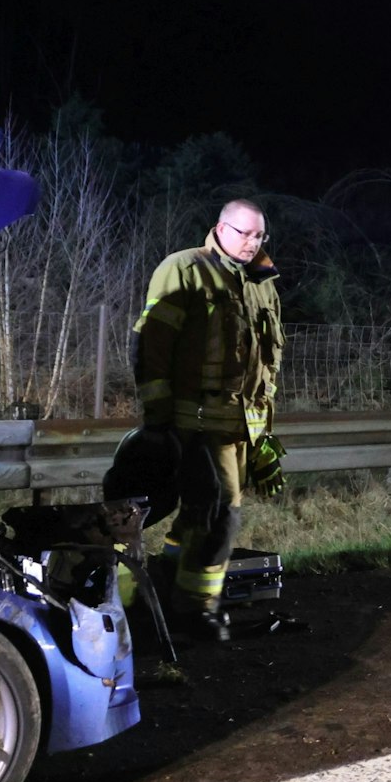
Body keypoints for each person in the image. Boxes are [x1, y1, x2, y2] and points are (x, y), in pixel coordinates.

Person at [131, 199, 285, 642]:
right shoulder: (183, 269)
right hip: (192, 420)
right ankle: (194, 610)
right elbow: (151, 344)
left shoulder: (262, 283)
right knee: (220, 513)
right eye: (243, 233)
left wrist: (262, 436)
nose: (251, 243)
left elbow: (265, 364)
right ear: (219, 227)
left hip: (239, 427)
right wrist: (158, 417)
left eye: (259, 236)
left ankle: (166, 589)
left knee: (200, 514)